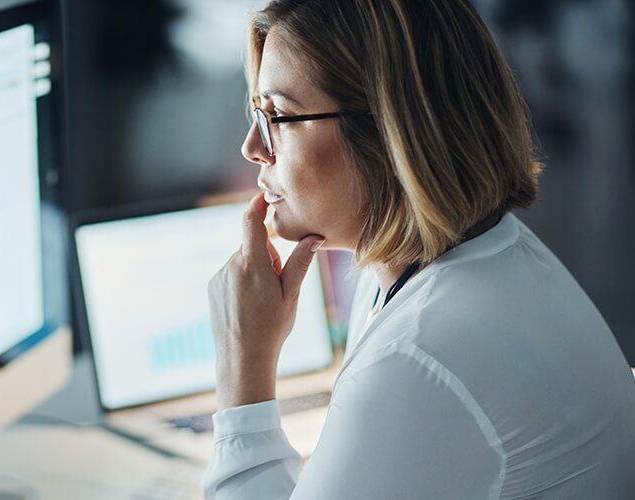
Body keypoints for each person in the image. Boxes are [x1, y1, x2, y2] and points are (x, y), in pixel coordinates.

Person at [202, 0, 635, 498]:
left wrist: (243, 368)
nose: (252, 148)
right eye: (259, 113)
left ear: (389, 133)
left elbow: (409, 379)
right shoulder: (478, 257)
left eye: (278, 115)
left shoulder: (418, 354)